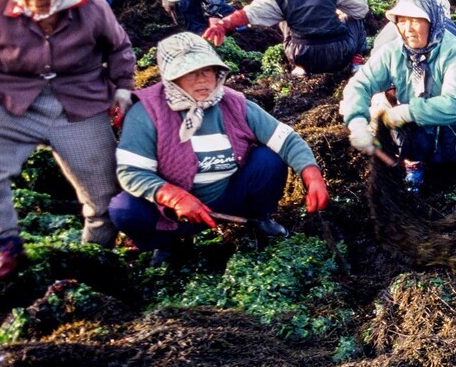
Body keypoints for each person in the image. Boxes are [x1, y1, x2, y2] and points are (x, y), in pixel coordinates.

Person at [0, 0, 134, 280]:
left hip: (79, 101)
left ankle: (93, 256)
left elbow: (120, 49)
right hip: (8, 96)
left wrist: (123, 89)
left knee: (104, 193)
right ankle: (5, 245)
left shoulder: (93, 8)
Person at [111, 33, 327, 262]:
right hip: (173, 213)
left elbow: (286, 140)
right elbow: (131, 172)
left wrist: (312, 175)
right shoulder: (146, 113)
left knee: (269, 159)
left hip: (227, 196)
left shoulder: (234, 104)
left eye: (207, 70)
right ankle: (168, 243)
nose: (202, 79)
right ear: (171, 78)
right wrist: (174, 197)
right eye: (190, 73)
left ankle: (258, 219)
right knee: (124, 209)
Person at [340, 0, 456, 192]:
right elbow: (360, 84)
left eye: (415, 20)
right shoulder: (392, 53)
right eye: (402, 20)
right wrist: (356, 120)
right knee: (387, 116)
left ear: (432, 20)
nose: (408, 28)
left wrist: (408, 111)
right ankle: (414, 164)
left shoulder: (455, 51)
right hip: (421, 140)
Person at [204, 0, 369, 76]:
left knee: (284, 19)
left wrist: (223, 24)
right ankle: (356, 62)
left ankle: (300, 69)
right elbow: (361, 8)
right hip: (339, 54)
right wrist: (338, 11)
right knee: (353, 18)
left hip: (303, 56)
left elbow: (249, 13)